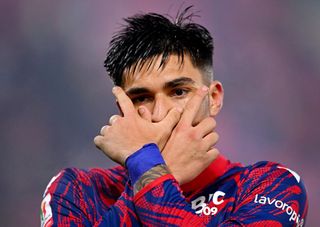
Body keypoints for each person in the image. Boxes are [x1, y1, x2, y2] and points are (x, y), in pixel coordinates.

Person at [40, 7, 308, 227]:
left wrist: (149, 171)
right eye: (141, 98)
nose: (161, 113)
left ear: (213, 98)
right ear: (124, 111)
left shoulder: (273, 186)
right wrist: (162, 171)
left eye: (179, 91)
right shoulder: (77, 191)